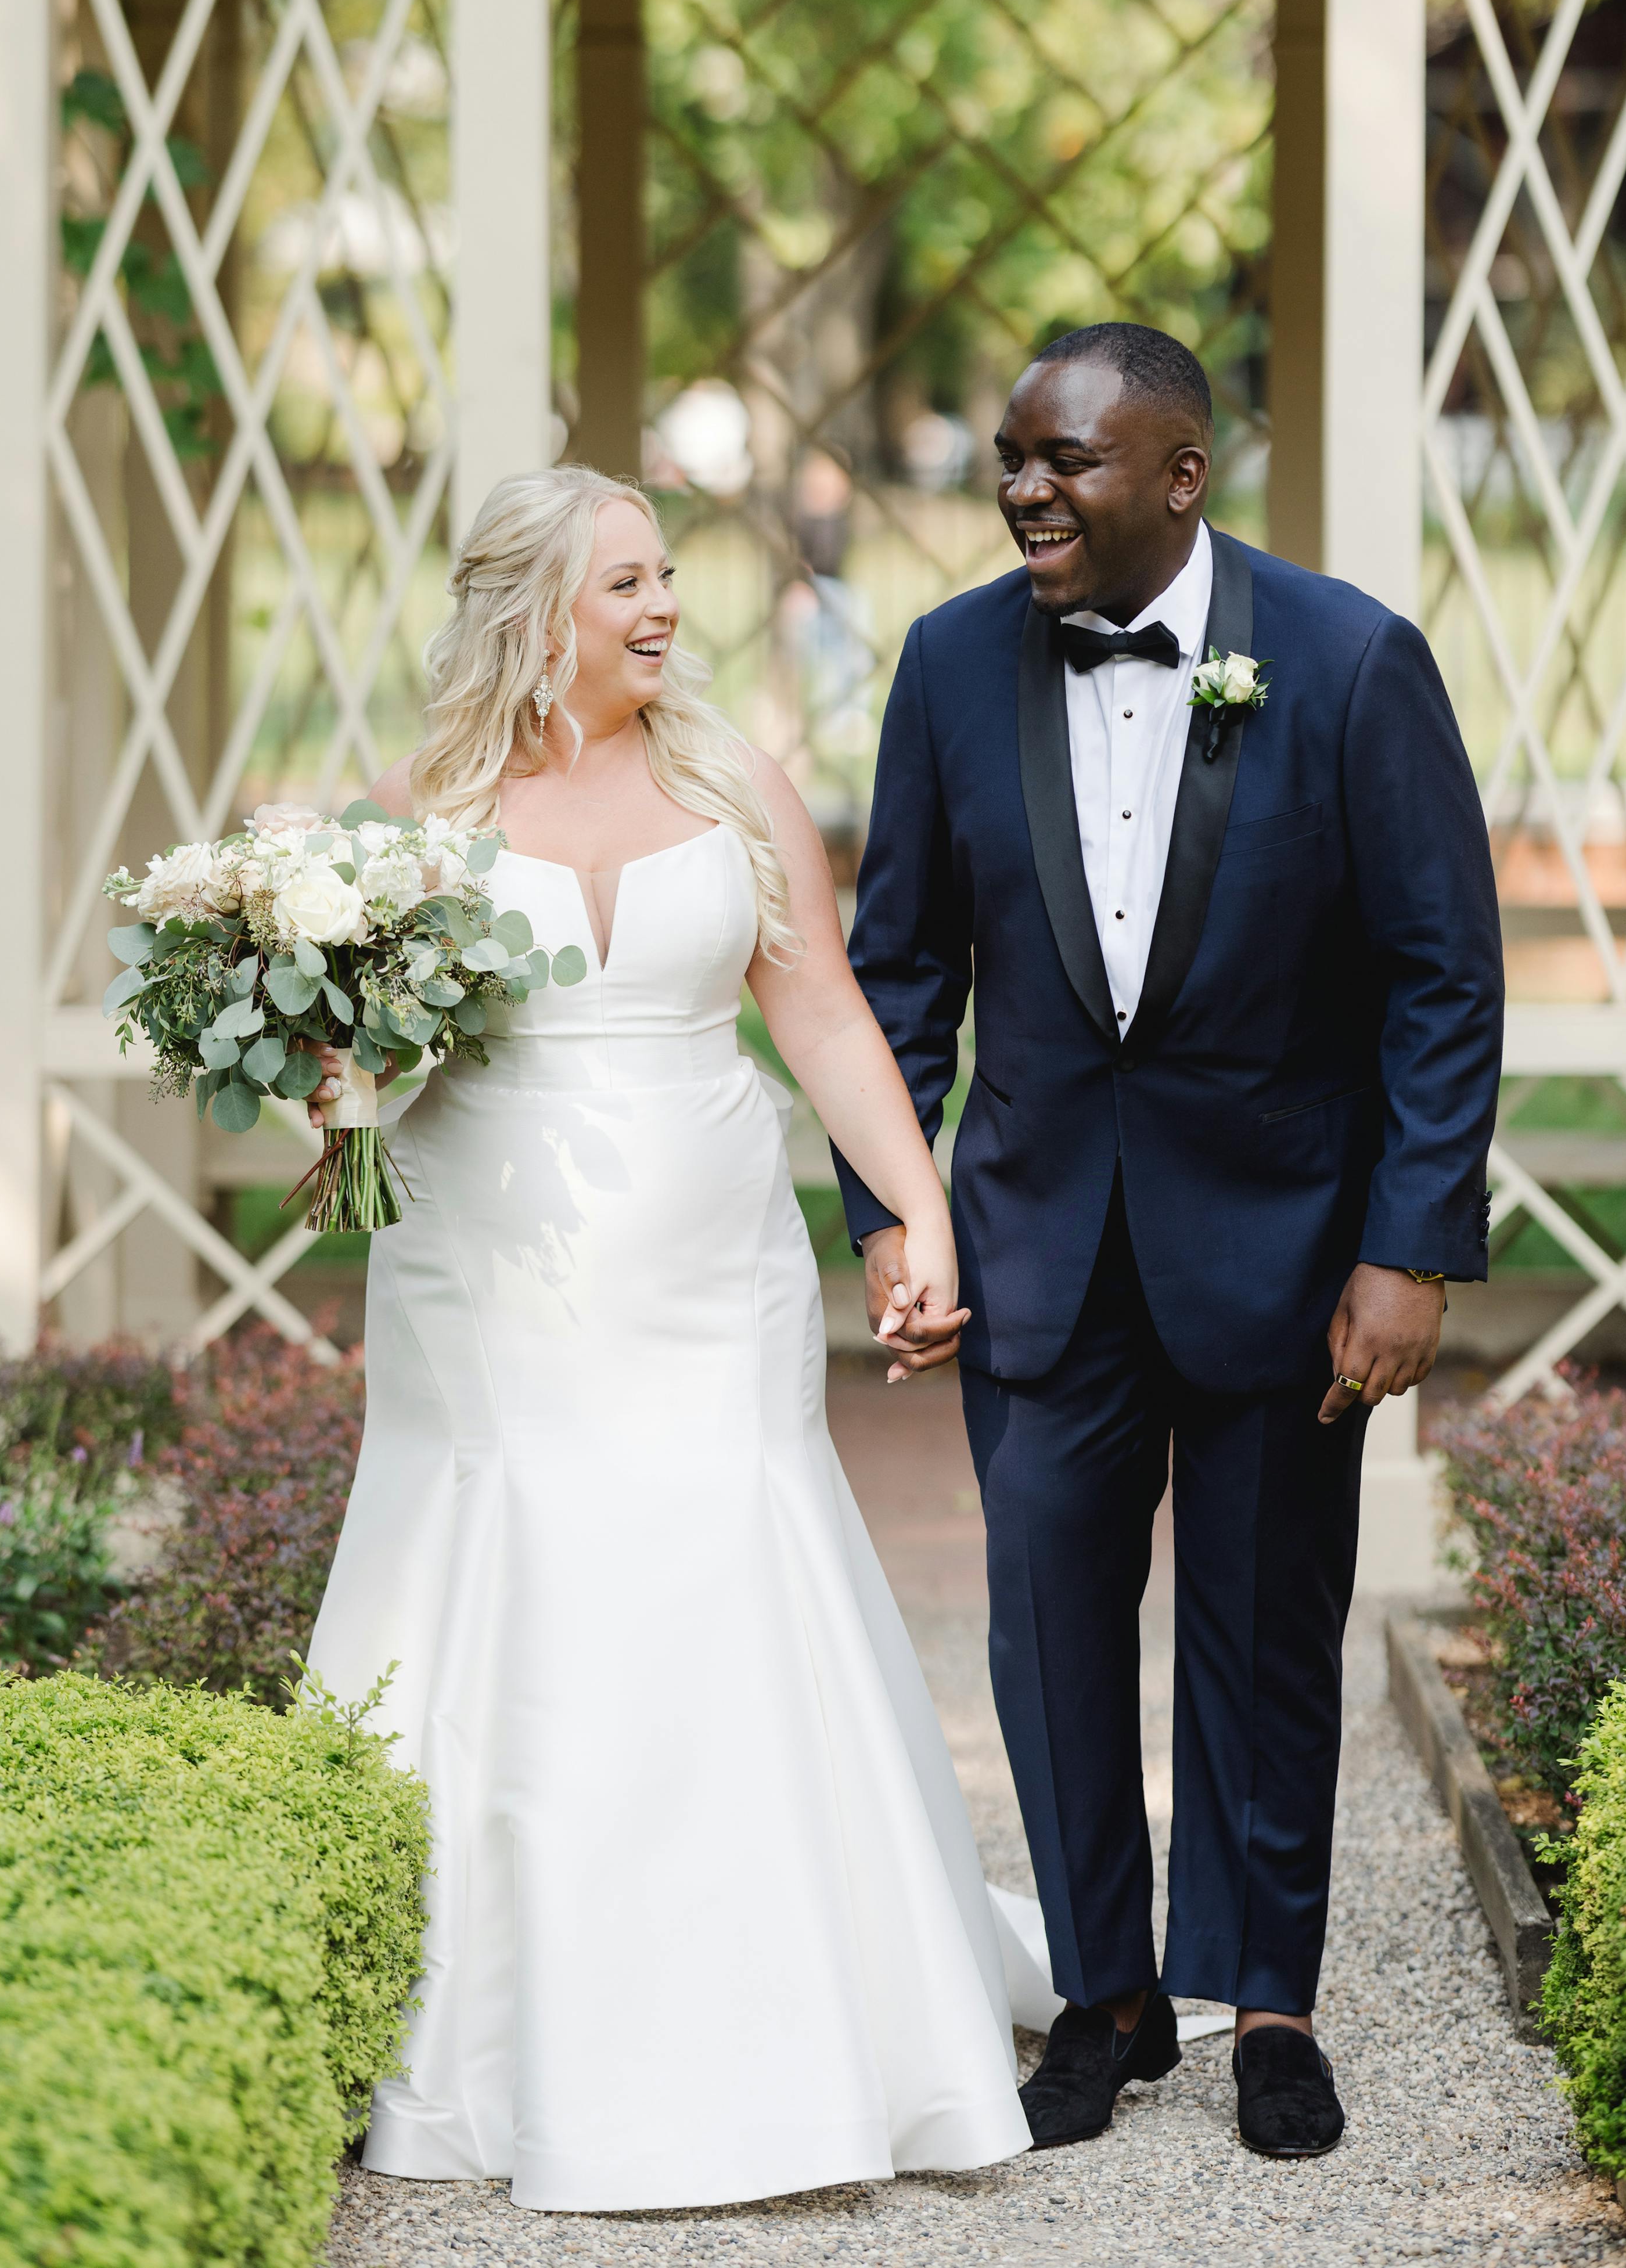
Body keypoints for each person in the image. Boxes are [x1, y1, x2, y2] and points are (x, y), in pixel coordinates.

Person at [303, 467, 1031, 2213]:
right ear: (532, 608)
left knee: (723, 1562)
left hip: (713, 1275)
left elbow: (829, 1018)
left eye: (664, 574)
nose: (662, 607)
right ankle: (499, 2030)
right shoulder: (419, 812)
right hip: (493, 1280)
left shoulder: (729, 777)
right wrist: (335, 1086)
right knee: (517, 1571)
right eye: (623, 579)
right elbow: (365, 1090)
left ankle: (788, 2015)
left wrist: (916, 1210)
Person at [834, 323, 1503, 2161]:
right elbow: (898, 972)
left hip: (1292, 1251)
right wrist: (901, 1215)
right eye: (1011, 457)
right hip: (1042, 1240)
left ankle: (1266, 2000)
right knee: (1046, 1634)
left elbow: (1444, 976)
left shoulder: (1352, 659)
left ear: (1184, 476)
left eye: (1068, 461)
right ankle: (1108, 1997)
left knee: (1270, 1632)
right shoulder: (950, 663)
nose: (1025, 489)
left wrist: (1413, 1242)